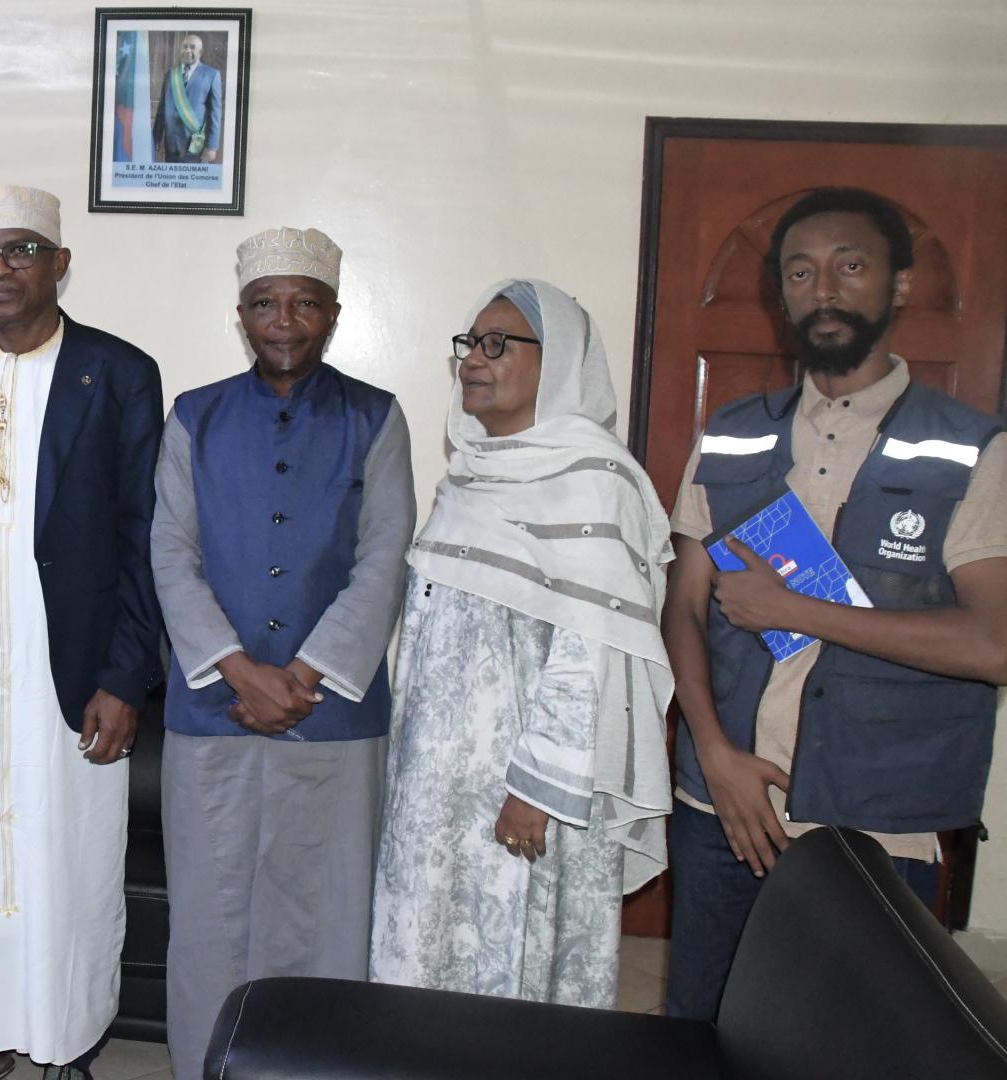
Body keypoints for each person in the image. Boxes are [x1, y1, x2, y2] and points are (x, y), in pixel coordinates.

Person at [661, 187, 1007, 1020]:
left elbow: (993, 646)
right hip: (726, 804)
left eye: (849, 265)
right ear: (781, 295)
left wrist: (797, 610)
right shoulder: (732, 430)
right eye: (800, 271)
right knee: (701, 1029)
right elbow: (682, 607)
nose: (823, 289)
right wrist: (711, 751)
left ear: (896, 285)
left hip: (876, 819)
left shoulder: (971, 450)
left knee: (850, 1038)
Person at [0, 184, 163, 1080]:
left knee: (69, 849)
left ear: (58, 263)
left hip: (73, 654)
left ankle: (69, 1036)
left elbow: (143, 534)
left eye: (17, 251)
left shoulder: (119, 371)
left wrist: (126, 676)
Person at [150, 226, 414, 1078]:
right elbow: (169, 552)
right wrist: (237, 669)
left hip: (329, 714)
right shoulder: (194, 415)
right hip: (211, 708)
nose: (284, 320)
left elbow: (385, 555)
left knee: (325, 918)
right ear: (240, 315)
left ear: (333, 315)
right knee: (208, 918)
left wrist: (299, 676)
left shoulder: (375, 416)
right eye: (266, 303)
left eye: (304, 303)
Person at [369, 279, 674, 1008]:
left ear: (559, 358)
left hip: (528, 795)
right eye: (470, 344)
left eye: (498, 344)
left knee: (511, 971)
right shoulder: (466, 481)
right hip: (435, 785)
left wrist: (533, 793)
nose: (474, 359)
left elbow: (589, 659)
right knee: (425, 960)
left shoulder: (595, 485)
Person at [153, 33, 223, 164]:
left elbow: (215, 113)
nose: (187, 50)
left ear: (200, 52)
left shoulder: (212, 75)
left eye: (192, 47)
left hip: (195, 146)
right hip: (170, 144)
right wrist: (156, 139)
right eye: (184, 47)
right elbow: (162, 109)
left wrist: (212, 146)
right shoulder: (170, 75)